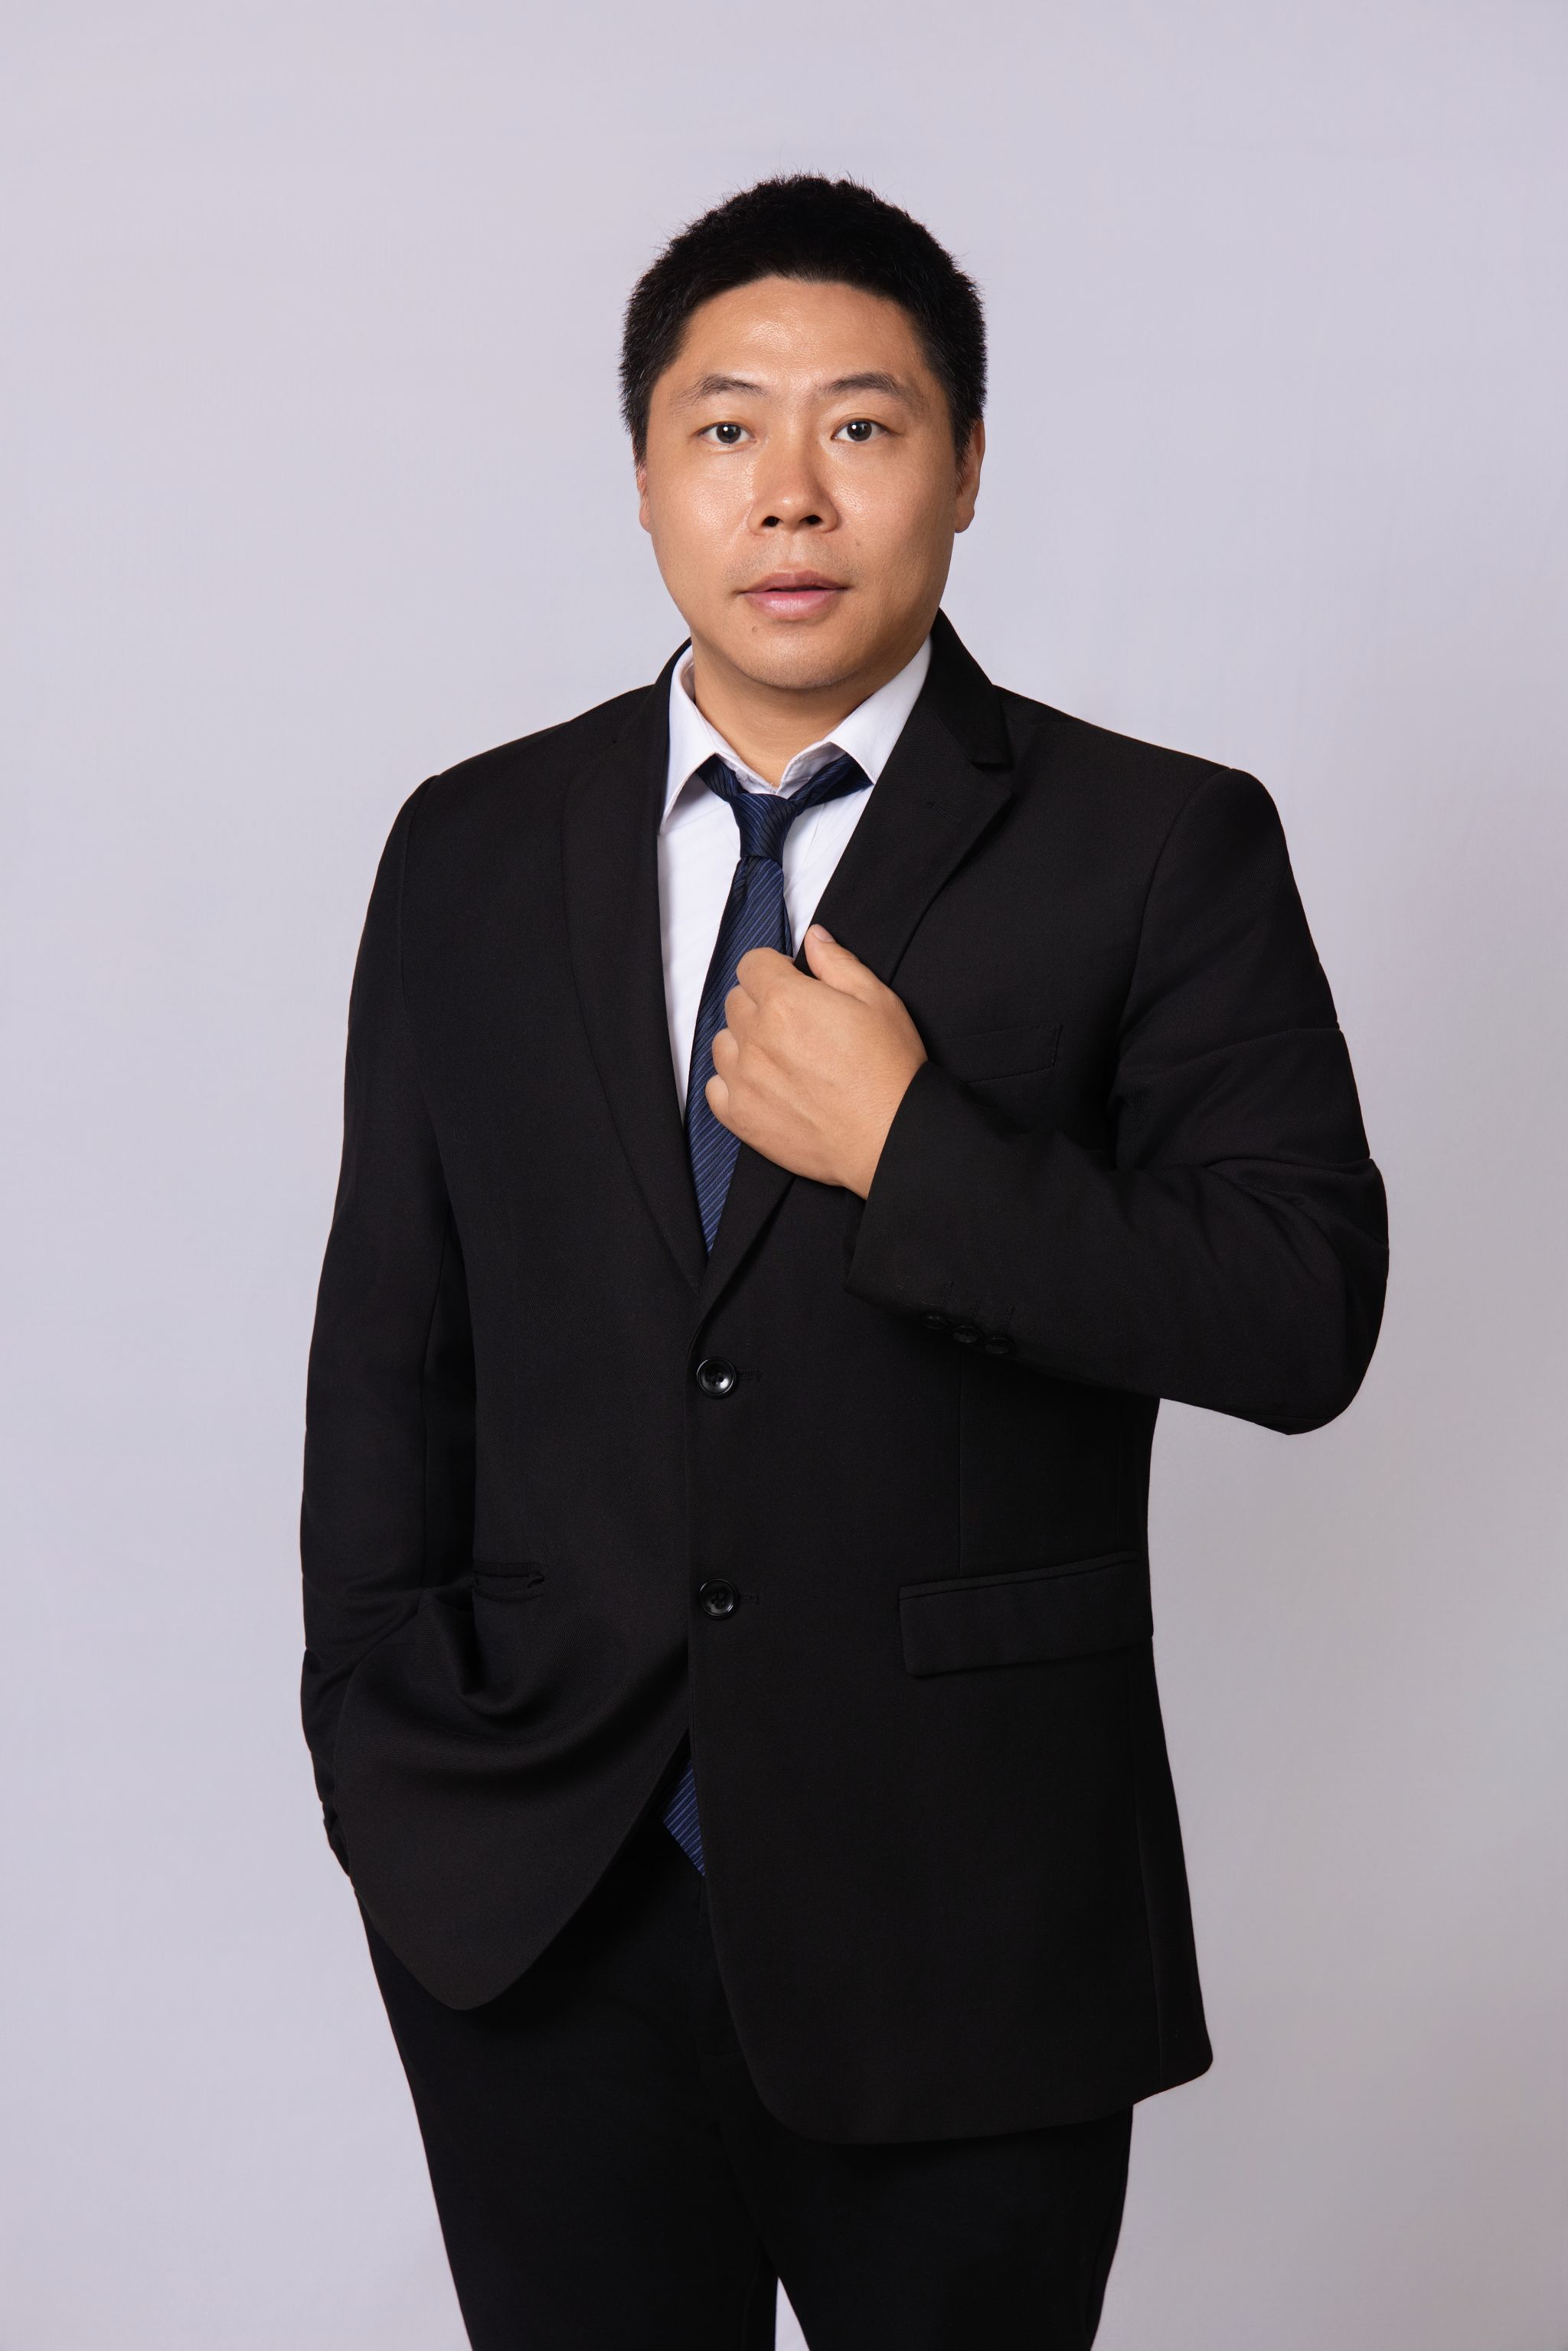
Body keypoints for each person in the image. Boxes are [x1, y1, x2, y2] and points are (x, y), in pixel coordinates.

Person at [299, 175, 1387, 2350]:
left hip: (969, 1919)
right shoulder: (472, 846)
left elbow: (1298, 1311)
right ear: (644, 473)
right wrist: (397, 1792)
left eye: (863, 427)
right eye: (726, 428)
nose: (788, 492)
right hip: (537, 1913)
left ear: (965, 466)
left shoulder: (1156, 842)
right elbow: (392, 1364)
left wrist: (913, 1150)